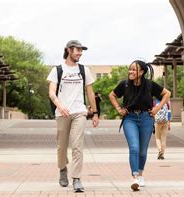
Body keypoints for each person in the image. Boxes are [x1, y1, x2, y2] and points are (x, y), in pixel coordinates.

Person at [109, 60, 171, 191]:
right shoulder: (125, 84)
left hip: (146, 119)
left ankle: (141, 173)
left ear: (141, 72)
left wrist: (157, 108)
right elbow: (112, 95)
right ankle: (135, 177)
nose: (130, 72)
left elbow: (167, 93)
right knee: (134, 147)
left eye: (133, 70)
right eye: (130, 69)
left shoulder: (149, 85)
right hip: (129, 118)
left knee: (143, 151)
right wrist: (119, 109)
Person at [47, 40, 99, 193]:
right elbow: (51, 92)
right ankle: (63, 168)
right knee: (62, 146)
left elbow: (90, 92)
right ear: (69, 50)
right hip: (62, 112)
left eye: (81, 50)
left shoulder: (84, 70)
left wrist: (95, 113)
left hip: (79, 112)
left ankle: (76, 178)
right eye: (78, 50)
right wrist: (60, 105)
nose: (80, 53)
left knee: (77, 146)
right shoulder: (57, 70)